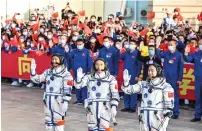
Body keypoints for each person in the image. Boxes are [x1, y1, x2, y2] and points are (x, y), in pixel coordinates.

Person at [121, 63, 174, 131]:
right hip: (145, 116)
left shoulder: (166, 86)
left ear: (158, 71)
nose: (149, 72)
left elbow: (169, 106)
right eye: (149, 70)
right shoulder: (143, 84)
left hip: (157, 117)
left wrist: (166, 118)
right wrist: (126, 83)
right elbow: (129, 90)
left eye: (152, 70)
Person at [74, 58, 120, 131]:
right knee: (92, 127)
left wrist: (114, 106)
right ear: (94, 66)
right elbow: (78, 86)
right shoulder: (89, 77)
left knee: (104, 127)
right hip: (92, 107)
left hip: (105, 107)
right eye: (97, 64)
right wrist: (79, 79)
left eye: (101, 65)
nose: (99, 67)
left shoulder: (110, 78)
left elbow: (115, 94)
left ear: (105, 66)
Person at [30, 54, 73, 131]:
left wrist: (66, 102)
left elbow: (68, 89)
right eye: (53, 59)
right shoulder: (48, 72)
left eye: (56, 59)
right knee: (48, 121)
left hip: (58, 100)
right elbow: (38, 79)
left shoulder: (66, 74)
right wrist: (33, 72)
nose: (54, 61)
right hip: (48, 100)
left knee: (58, 121)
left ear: (61, 60)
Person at [156, 37, 184, 119]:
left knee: (174, 96)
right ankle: (167, 111)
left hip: (174, 79)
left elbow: (181, 68)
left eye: (171, 45)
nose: (170, 46)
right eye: (169, 45)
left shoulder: (179, 55)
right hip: (165, 78)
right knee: (164, 95)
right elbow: (158, 54)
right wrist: (157, 46)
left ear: (175, 46)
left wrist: (179, 79)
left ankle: (175, 113)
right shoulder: (166, 53)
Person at [120, 40, 142, 113]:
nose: (130, 45)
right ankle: (127, 106)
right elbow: (120, 57)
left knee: (132, 91)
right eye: (130, 44)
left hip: (133, 75)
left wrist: (137, 75)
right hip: (126, 75)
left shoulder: (137, 53)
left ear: (135, 45)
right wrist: (120, 48)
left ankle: (133, 107)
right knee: (126, 90)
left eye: (132, 44)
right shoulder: (126, 53)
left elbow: (139, 66)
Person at [184, 39, 202, 122]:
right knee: (198, 98)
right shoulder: (196, 53)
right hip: (198, 79)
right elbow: (188, 59)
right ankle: (197, 116)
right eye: (200, 44)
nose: (201, 45)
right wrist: (186, 53)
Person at [71, 38, 93, 104]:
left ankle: (84, 99)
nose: (79, 45)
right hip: (76, 72)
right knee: (77, 86)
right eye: (77, 44)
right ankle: (78, 99)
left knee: (84, 86)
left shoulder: (87, 51)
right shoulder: (73, 51)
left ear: (83, 44)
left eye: (80, 44)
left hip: (85, 72)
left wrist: (89, 70)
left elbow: (90, 61)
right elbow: (69, 58)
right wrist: (67, 52)